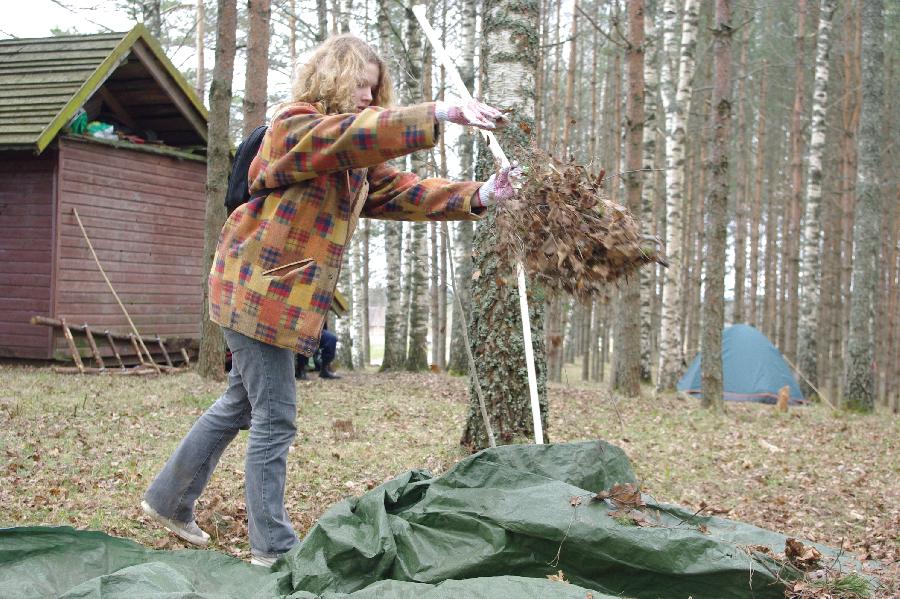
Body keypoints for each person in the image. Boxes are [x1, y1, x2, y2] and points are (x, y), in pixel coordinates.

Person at [140, 33, 520, 567]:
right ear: (333, 79)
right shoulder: (295, 128)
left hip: (277, 295)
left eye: (374, 88)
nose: (368, 96)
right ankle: (271, 547)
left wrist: (480, 194)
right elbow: (347, 137)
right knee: (275, 417)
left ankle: (167, 500)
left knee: (241, 404)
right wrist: (440, 111)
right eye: (360, 86)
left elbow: (400, 190)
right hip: (258, 293)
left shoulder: (351, 159)